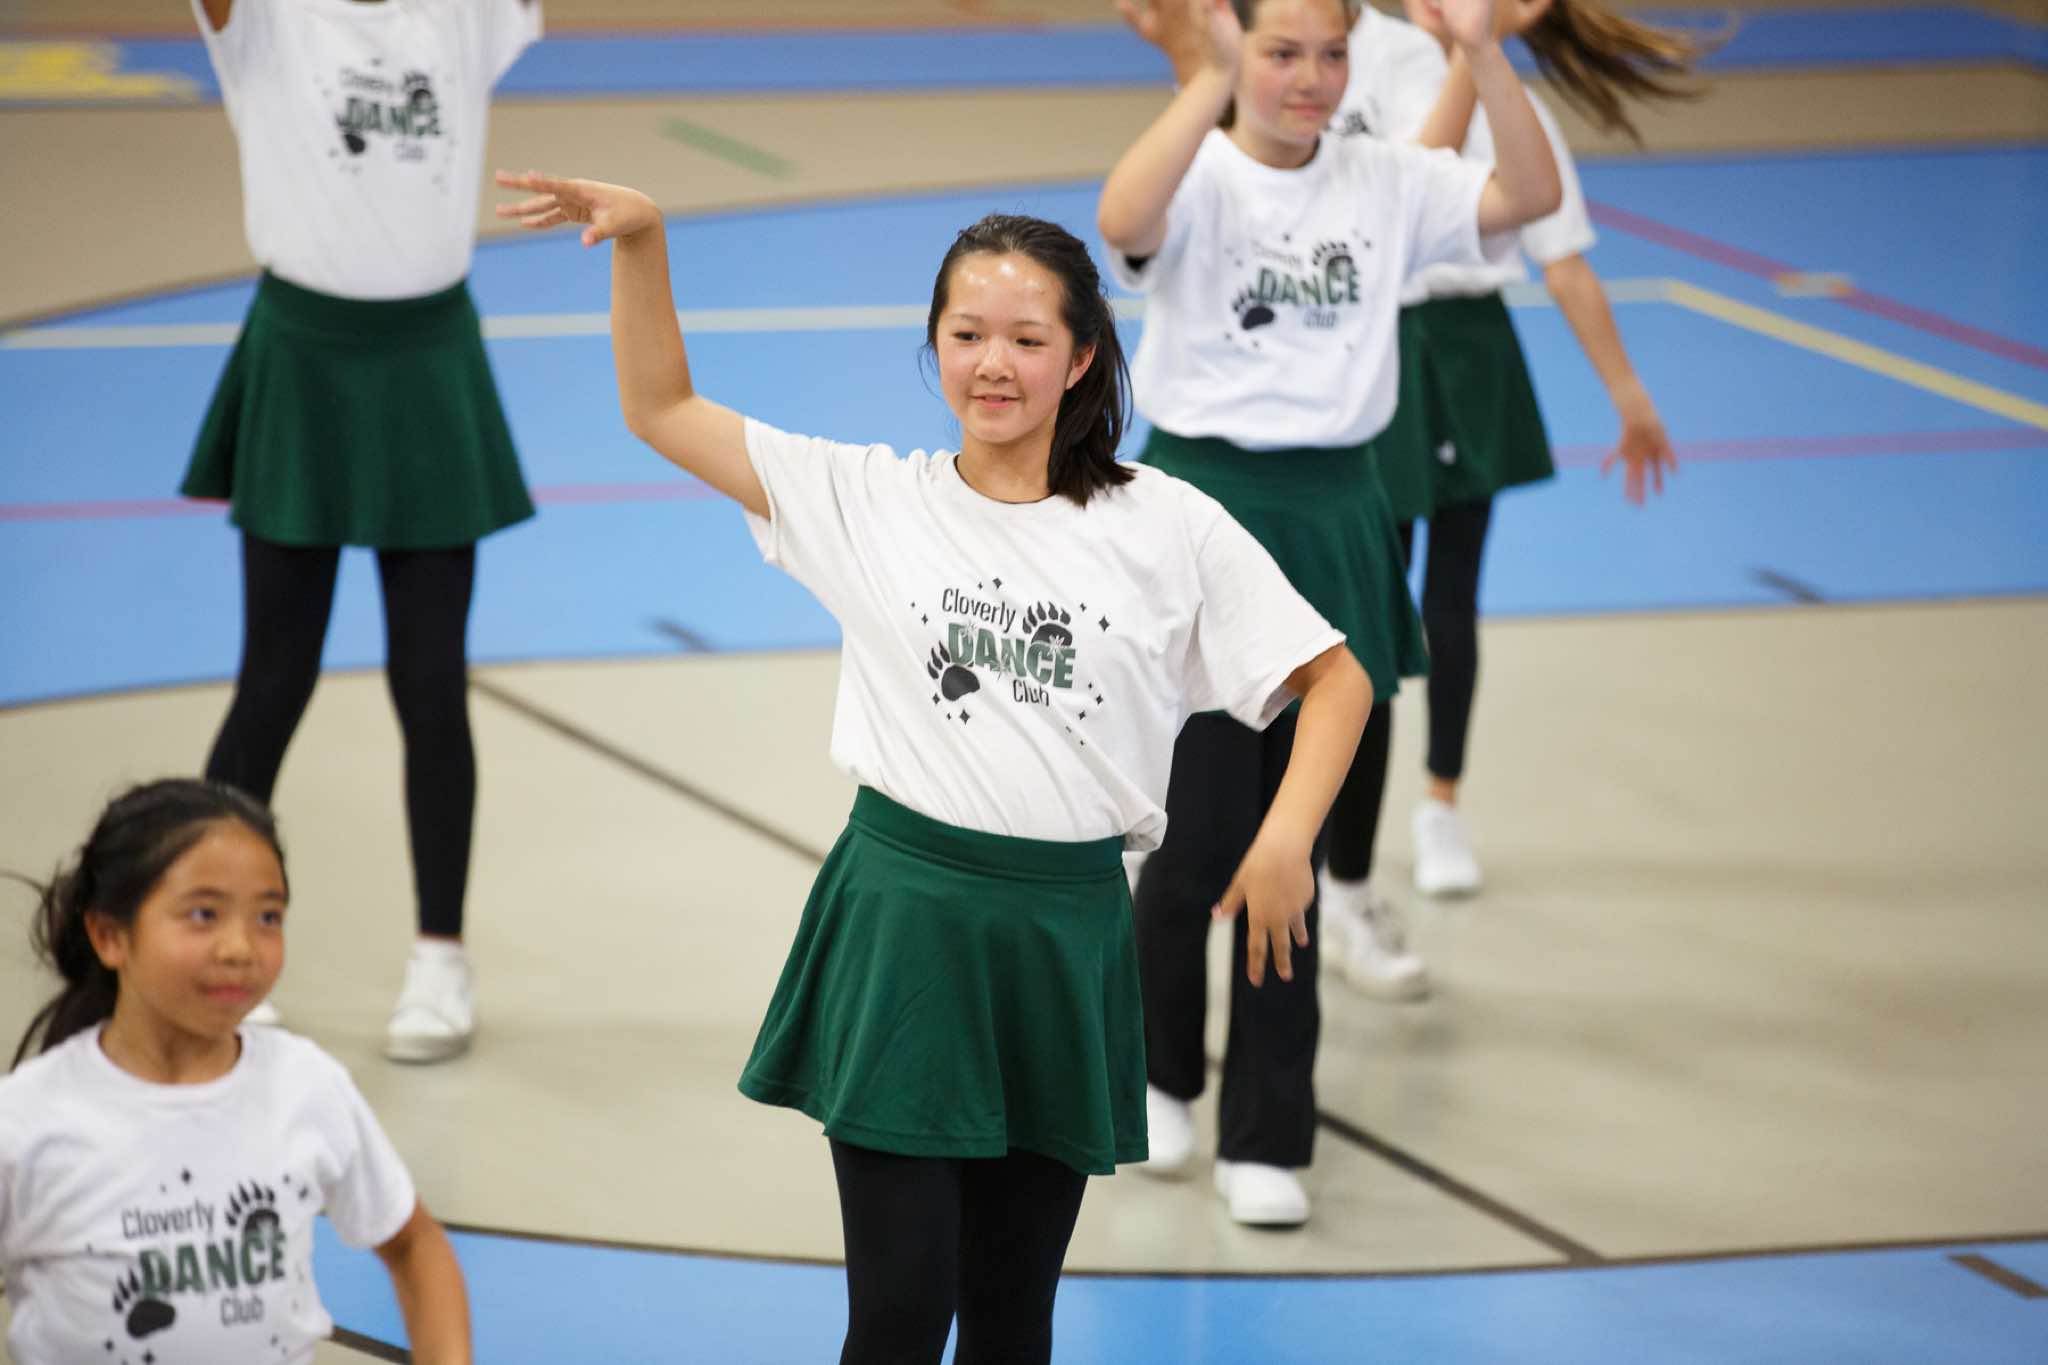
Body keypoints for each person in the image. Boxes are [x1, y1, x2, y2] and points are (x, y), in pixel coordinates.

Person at [492, 167, 1367, 1360]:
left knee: (1011, 1323)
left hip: (1063, 935)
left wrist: (1284, 841)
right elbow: (660, 407)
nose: (992, 364)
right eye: (965, 335)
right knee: (900, 1318)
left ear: (1082, 358)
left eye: (1026, 338)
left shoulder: (1166, 524)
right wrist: (643, 241)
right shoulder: (866, 499)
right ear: (934, 345)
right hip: (905, 927)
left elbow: (1334, 679)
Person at [1097, 0, 1560, 1223]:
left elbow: (1526, 192)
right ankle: (1159, 1077)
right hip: (1202, 514)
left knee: (1286, 847)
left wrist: (1480, 50)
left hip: (1333, 516)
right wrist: (1204, 79)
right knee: (1191, 839)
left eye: (1331, 54)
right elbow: (1121, 222)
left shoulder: (1387, 179)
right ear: (1236, 49)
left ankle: (1267, 1134)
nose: (1309, 78)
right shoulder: (1198, 170)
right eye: (1281, 52)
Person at [181, 0, 543, 1062]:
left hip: (427, 361)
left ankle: (441, 957)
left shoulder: (463, 15)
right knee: (273, 677)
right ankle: (211, 944)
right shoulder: (268, 20)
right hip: (303, 355)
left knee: (431, 683)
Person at [1317, 0, 1690, 952]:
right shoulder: (1365, 62)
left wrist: (1630, 394)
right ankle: (1331, 837)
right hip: (1374, 347)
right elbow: (1399, 189)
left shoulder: (1515, 107)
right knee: (1364, 615)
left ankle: (1440, 806)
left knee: (1451, 601)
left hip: (1468, 348)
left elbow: (1564, 264)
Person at [0, 779, 472, 1365]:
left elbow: (414, 1243)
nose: (240, 948)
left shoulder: (305, 1085)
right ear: (110, 935)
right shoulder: (26, 1122)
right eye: (204, 914)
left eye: (268, 917)